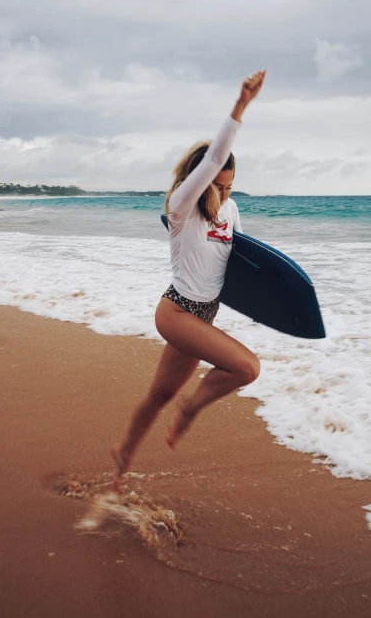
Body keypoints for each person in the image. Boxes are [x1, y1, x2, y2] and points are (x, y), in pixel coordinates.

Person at [111, 70, 267, 494]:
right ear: (202, 177)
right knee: (246, 368)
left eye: (230, 186)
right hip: (178, 311)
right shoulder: (182, 205)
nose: (224, 192)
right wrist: (241, 105)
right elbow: (215, 157)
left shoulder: (231, 212)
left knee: (157, 395)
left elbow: (242, 266)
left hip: (203, 316)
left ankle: (121, 457)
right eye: (218, 184)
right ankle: (191, 408)